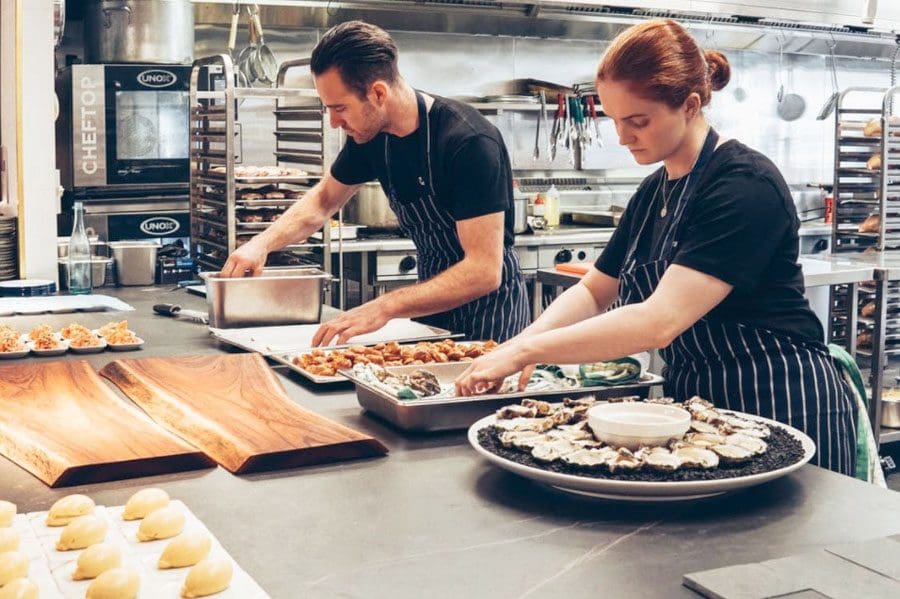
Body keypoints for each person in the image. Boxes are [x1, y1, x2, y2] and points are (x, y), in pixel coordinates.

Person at [455, 19, 857, 475]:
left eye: (637, 121)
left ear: (689, 105)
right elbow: (593, 292)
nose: (623, 137)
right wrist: (519, 343)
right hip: (700, 411)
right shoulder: (653, 191)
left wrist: (529, 352)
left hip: (782, 399)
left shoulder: (743, 184)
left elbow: (658, 322)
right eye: (614, 121)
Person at [221, 21, 529, 345]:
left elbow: (483, 271)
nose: (334, 122)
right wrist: (261, 244)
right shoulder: (371, 138)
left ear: (378, 93)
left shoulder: (467, 142)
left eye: (340, 108)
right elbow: (324, 200)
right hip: (431, 308)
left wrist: (384, 306)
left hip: (491, 318)